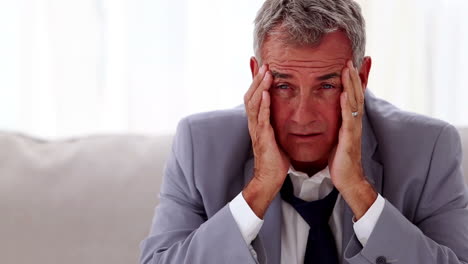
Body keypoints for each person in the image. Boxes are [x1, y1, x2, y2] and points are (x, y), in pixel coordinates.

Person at [140, 0, 468, 263]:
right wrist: (257, 190)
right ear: (256, 75)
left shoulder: (429, 149)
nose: (303, 116)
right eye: (283, 85)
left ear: (362, 77)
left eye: (326, 85)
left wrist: (359, 191)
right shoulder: (200, 146)